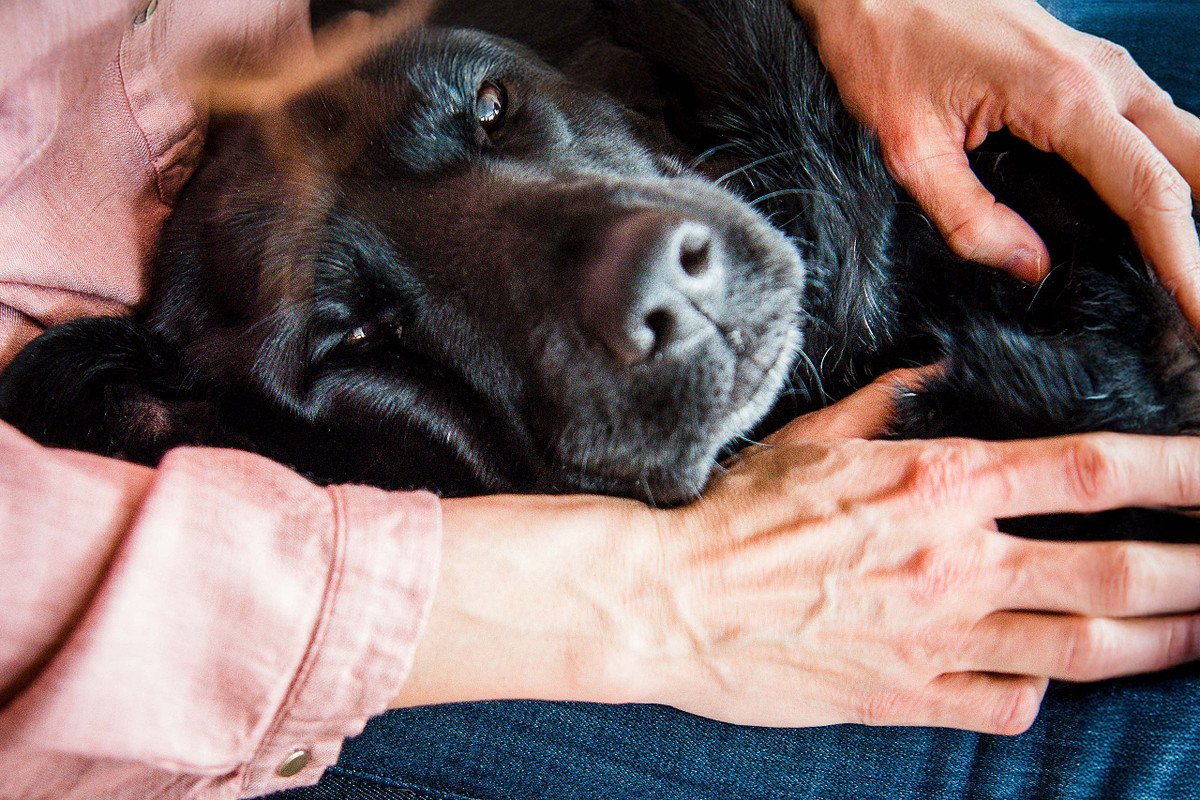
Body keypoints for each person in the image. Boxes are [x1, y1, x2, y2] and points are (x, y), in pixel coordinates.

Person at [0, 2, 1197, 800]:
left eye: (494, 120)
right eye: (354, 333)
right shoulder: (166, 410)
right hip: (242, 598)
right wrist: (664, 598)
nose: (643, 265)